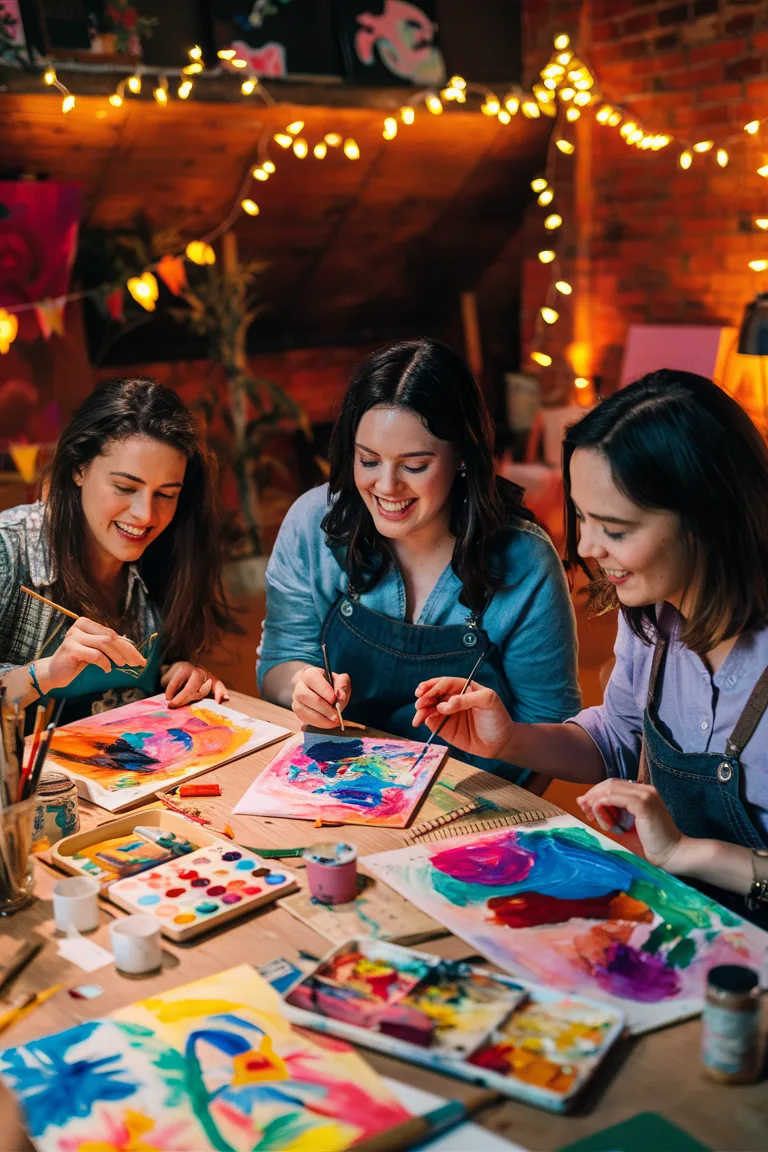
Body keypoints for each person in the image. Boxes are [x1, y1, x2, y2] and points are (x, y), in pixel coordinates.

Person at [413, 368, 768, 921]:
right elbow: (619, 739)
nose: (585, 545)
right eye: (581, 515)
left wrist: (690, 853)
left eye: (616, 529)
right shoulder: (651, 615)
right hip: (681, 918)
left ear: (708, 519)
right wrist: (509, 740)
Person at [258, 338, 581, 782]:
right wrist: (300, 685)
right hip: (340, 782)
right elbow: (279, 661)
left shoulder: (525, 560)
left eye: (414, 465)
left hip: (474, 804)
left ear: (462, 458)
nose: (387, 486)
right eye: (368, 460)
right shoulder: (314, 523)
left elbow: (553, 727)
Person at [0, 377, 234, 726]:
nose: (145, 515)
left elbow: (158, 679)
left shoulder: (171, 551)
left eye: (166, 494)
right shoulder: (9, 549)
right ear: (79, 467)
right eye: (125, 487)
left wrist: (181, 675)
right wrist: (46, 673)